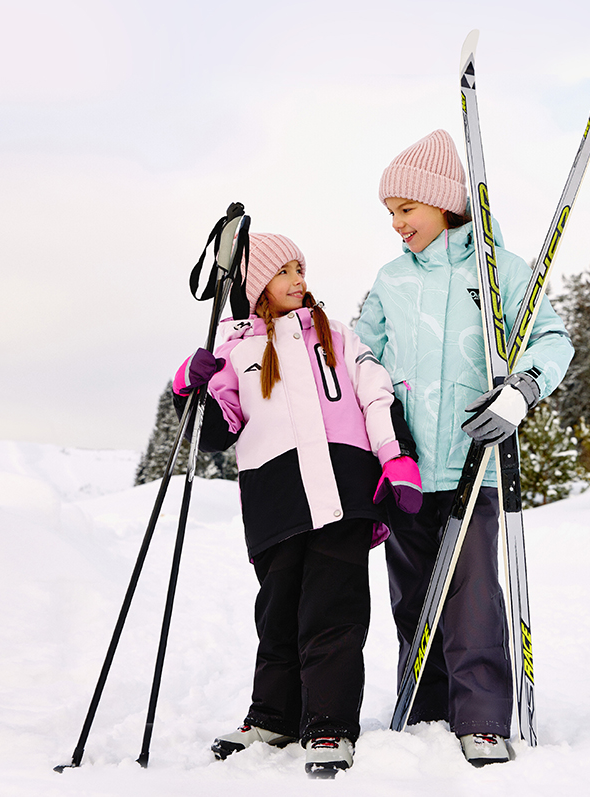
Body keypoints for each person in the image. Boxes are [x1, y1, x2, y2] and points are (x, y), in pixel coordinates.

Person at [355, 129, 574, 766]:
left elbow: (552, 339)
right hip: (404, 467)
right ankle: (425, 711)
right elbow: (355, 350)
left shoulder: (501, 271)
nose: (397, 225)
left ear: (444, 203)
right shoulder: (391, 279)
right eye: (390, 214)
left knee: (473, 593)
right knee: (412, 595)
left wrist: (522, 390)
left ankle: (481, 717)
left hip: (474, 462)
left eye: (406, 210)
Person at [172, 232, 421, 779]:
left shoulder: (336, 336)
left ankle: (329, 724)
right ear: (256, 284)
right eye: (283, 271)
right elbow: (216, 432)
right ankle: (274, 716)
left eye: (300, 268)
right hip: (276, 495)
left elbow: (375, 396)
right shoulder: (235, 351)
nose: (298, 280)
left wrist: (395, 457)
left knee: (332, 612)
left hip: (345, 490)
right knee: (279, 612)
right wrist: (188, 387)